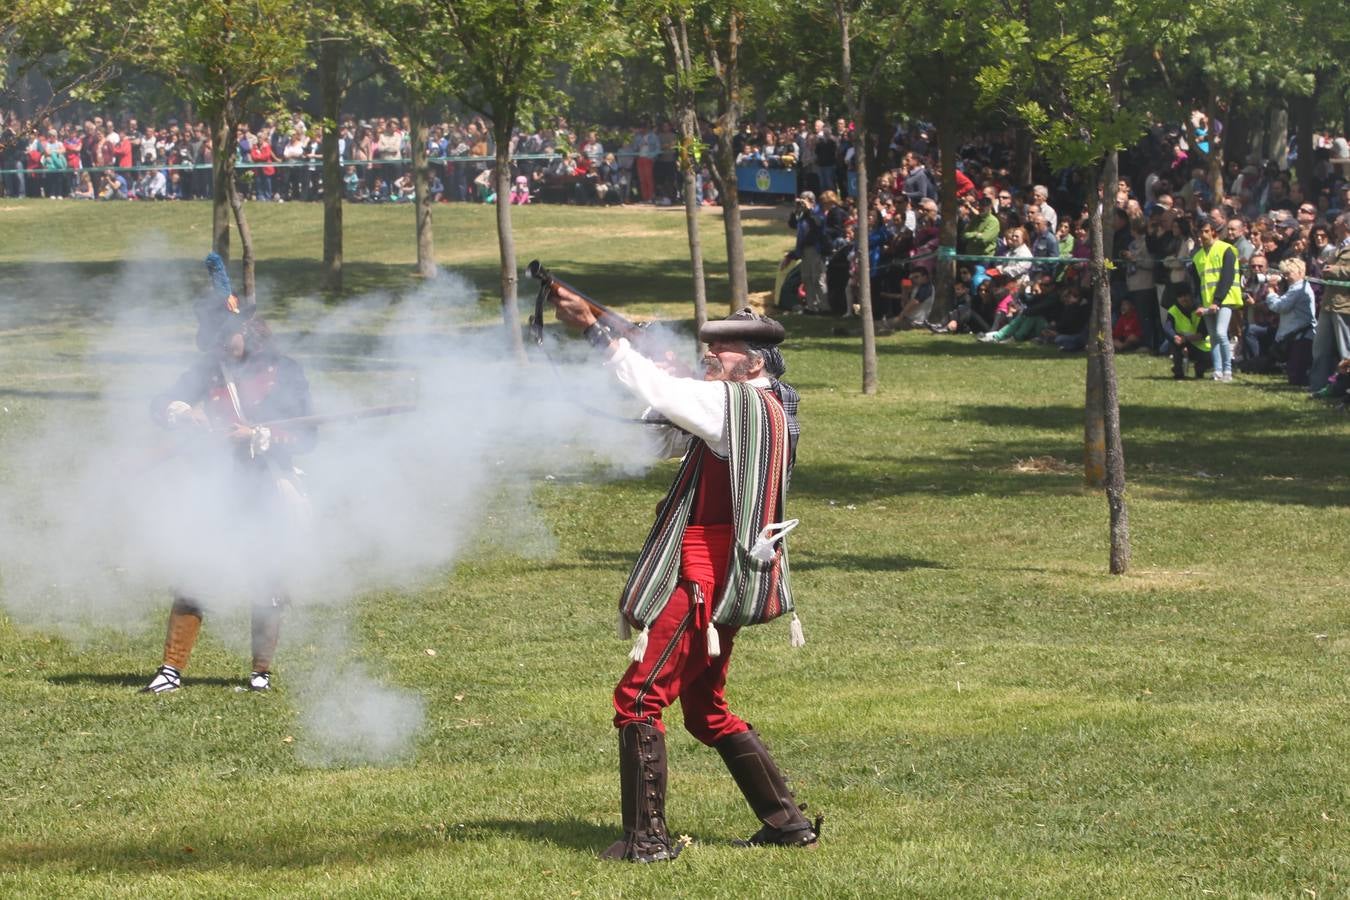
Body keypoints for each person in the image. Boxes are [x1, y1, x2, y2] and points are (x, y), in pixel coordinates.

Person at [549, 299, 818, 863]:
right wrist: (663, 374)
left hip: (703, 575)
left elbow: (667, 398)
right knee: (704, 709)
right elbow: (656, 437)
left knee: (638, 698)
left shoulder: (731, 403)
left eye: (724, 348)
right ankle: (788, 824)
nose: (711, 354)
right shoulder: (764, 402)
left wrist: (598, 333)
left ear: (754, 362)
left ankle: (647, 841)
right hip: (731, 573)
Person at [140, 254, 315, 694]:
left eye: (226, 336)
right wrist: (183, 412)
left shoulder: (284, 372)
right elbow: (160, 404)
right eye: (214, 338)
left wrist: (257, 434)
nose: (221, 345)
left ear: (245, 330)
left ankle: (260, 674)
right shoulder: (209, 370)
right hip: (217, 480)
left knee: (267, 579)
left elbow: (306, 436)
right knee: (194, 570)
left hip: (269, 482)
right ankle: (170, 671)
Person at [1192, 221, 1242, 381]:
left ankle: (1227, 370)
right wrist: (1199, 304)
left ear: (1214, 232)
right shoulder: (1197, 256)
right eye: (1200, 232)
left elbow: (1227, 277)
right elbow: (1196, 283)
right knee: (1213, 336)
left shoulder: (1226, 249)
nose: (1203, 235)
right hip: (1207, 301)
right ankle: (1218, 370)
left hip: (1225, 299)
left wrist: (1217, 301)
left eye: (1206, 231)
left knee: (1221, 333)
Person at [786, 191, 827, 314]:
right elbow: (792, 224)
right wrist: (795, 210)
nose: (802, 203)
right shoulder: (802, 214)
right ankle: (811, 306)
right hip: (803, 250)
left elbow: (818, 224)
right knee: (807, 278)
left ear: (812, 201)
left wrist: (810, 210)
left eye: (804, 200)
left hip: (815, 249)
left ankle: (824, 307)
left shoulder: (818, 211)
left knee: (817, 279)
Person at [1164, 287, 1211, 380]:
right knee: (1174, 343)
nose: (1183, 299)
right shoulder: (1173, 310)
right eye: (1180, 296)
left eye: (1186, 295)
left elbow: (1202, 334)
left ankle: (1199, 369)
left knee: (1211, 358)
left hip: (1201, 345)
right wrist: (1174, 337)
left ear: (1192, 296)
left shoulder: (1200, 310)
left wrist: (1185, 339)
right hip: (1182, 342)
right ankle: (1178, 371)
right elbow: (1167, 328)